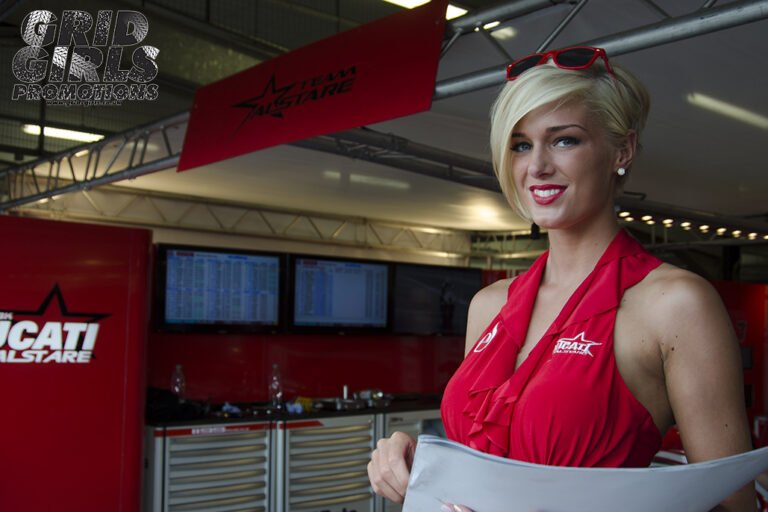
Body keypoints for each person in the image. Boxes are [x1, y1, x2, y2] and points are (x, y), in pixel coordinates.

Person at [368, 46, 755, 511]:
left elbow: (735, 506)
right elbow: (479, 469)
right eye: (521, 144)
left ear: (622, 150)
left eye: (564, 140)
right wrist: (415, 458)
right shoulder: (490, 304)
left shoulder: (674, 304)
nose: (537, 167)